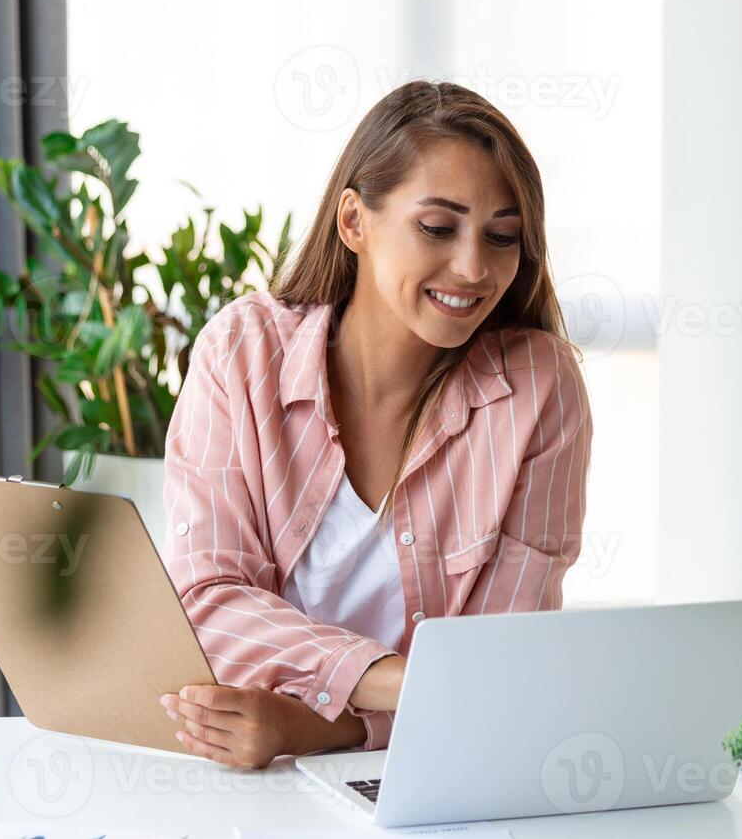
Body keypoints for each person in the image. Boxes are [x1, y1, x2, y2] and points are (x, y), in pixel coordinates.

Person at [158, 80, 593, 768]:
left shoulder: (539, 388)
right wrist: (402, 684)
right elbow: (207, 602)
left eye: (502, 236)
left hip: (439, 773)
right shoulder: (242, 352)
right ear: (354, 222)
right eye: (438, 227)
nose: (475, 267)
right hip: (246, 787)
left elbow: (501, 670)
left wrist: (322, 727)